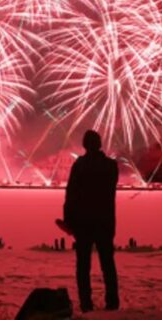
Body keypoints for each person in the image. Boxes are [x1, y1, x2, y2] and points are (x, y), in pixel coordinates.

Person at [63, 130, 119, 312]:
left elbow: (71, 195)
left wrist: (68, 221)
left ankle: (86, 303)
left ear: (85, 145)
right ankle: (112, 302)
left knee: (83, 266)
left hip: (84, 222)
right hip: (105, 221)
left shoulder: (79, 166)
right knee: (108, 264)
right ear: (100, 144)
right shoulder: (111, 166)